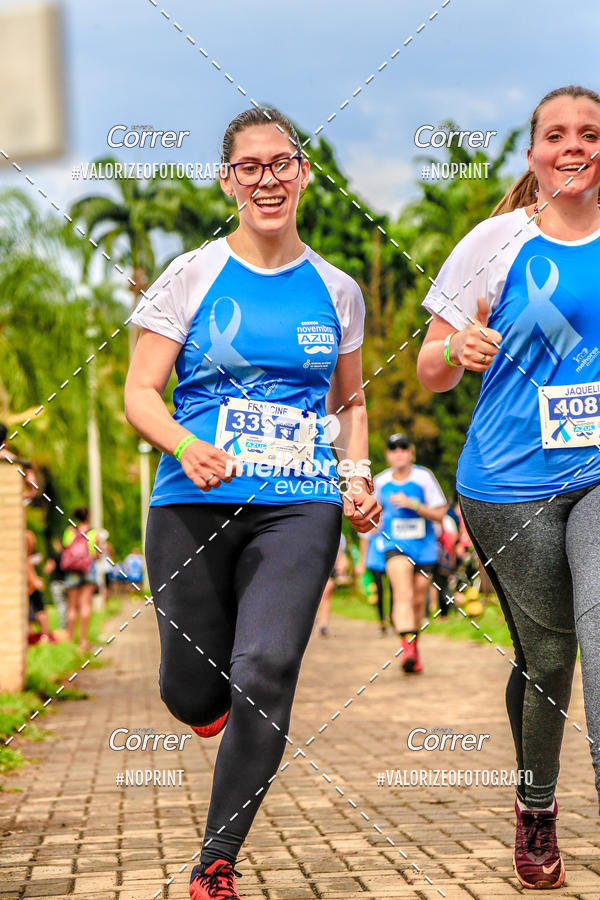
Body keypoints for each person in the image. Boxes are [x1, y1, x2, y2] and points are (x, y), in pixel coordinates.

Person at [124, 107, 380, 900]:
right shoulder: (192, 274)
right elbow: (139, 391)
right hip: (191, 501)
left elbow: (351, 403)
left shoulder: (337, 290)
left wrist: (356, 475)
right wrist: (182, 443)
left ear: (303, 172)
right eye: (249, 167)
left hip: (299, 503)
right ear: (228, 179)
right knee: (190, 692)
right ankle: (211, 711)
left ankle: (215, 859)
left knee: (265, 670)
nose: (266, 179)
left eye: (281, 164)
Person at [417, 85, 600, 891]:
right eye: (555, 135)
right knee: (550, 655)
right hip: (508, 482)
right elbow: (426, 369)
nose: (573, 147)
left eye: (590, 134)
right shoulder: (494, 243)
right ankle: (535, 806)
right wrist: (459, 348)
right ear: (532, 155)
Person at [374, 434, 447, 673]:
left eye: (403, 448)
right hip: (394, 546)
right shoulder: (380, 482)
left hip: (424, 548)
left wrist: (412, 504)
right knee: (402, 594)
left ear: (411, 452)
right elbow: (372, 517)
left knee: (417, 601)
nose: (398, 453)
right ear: (387, 454)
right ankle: (407, 650)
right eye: (393, 449)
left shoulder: (423, 477)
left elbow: (439, 514)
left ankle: (413, 650)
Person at [357, 470, 394, 635]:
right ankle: (381, 621)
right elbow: (364, 537)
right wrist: (361, 561)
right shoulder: (370, 511)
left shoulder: (392, 513)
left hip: (391, 553)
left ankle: (393, 617)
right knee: (379, 590)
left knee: (394, 588)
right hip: (375, 557)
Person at [61, 506, 98, 651]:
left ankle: (70, 639)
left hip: (72, 572)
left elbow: (65, 548)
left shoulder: (69, 532)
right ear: (88, 516)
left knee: (72, 607)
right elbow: (95, 554)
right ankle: (83, 640)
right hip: (88, 570)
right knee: (85, 605)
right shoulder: (93, 532)